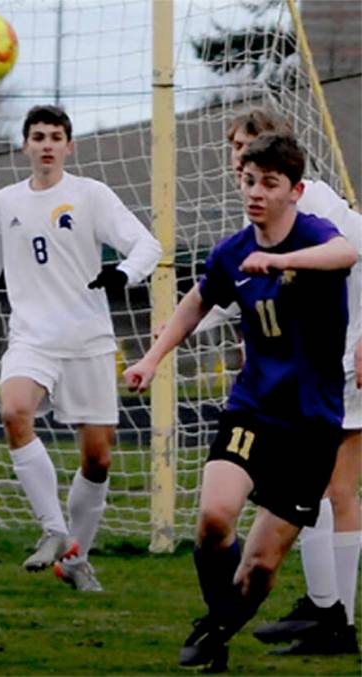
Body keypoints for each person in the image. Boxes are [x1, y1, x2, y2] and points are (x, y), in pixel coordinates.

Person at [123, 132, 357, 671]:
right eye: (249, 181)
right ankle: (216, 621)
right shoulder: (232, 251)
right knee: (213, 517)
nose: (255, 192)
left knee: (260, 566)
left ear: (295, 190)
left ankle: (219, 631)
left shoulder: (316, 233)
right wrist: (152, 358)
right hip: (252, 409)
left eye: (269, 183)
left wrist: (282, 262)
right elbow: (197, 302)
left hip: (311, 424)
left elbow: (347, 252)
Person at [0, 105, 162, 592]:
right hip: (31, 339)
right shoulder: (4, 202)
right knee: (14, 411)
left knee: (97, 460)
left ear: (69, 146)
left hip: (88, 342)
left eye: (56, 137)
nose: (47, 145)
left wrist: (123, 273)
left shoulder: (91, 195)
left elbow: (148, 246)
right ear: (25, 146)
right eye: (38, 137)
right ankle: (53, 529)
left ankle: (76, 560)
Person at [189, 109, 361, 656]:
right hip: (300, 371)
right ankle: (328, 611)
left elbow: (354, 251)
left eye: (248, 147)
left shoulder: (315, 203)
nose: (240, 160)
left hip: (338, 361)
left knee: (335, 490)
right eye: (236, 153)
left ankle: (330, 614)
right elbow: (243, 282)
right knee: (329, 492)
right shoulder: (258, 214)